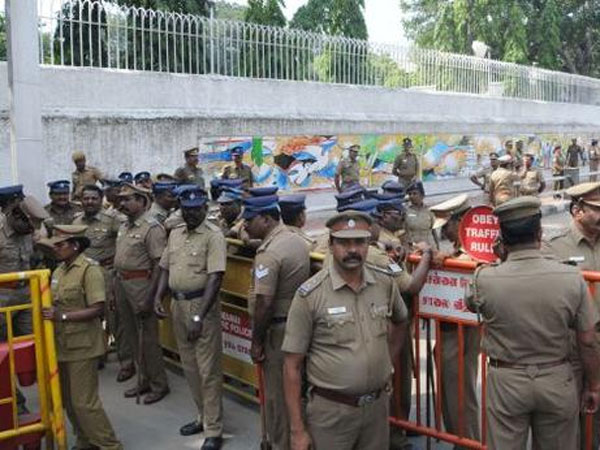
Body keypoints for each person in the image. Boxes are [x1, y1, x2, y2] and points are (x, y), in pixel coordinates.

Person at [468, 196, 600, 449]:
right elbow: (588, 340)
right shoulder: (571, 277)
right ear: (539, 234)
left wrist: (501, 261)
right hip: (556, 377)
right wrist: (594, 385)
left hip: (507, 380)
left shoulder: (484, 279)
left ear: (502, 239)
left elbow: (471, 304)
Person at [282, 210, 416, 450]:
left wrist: (387, 362)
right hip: (332, 414)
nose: (352, 249)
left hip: (376, 410)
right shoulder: (310, 295)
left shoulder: (384, 283)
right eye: (344, 243)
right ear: (331, 245)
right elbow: (292, 365)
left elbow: (401, 320)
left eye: (359, 242)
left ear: (368, 244)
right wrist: (297, 430)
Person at [153, 187, 226, 450]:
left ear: (205, 208)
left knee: (208, 371)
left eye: (196, 209)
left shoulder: (213, 236)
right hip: (177, 304)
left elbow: (215, 277)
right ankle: (202, 417)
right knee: (190, 367)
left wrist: (198, 316)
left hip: (200, 305)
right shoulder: (176, 233)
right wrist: (158, 297)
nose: (191, 214)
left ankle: (214, 429)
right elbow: (165, 268)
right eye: (187, 210)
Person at [40, 225, 123, 450]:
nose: (56, 249)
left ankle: (110, 445)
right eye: (55, 245)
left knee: (84, 402)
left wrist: (62, 316)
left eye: (61, 245)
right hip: (62, 344)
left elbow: (97, 308)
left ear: (75, 245)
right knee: (68, 401)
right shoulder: (59, 271)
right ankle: (85, 440)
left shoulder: (89, 270)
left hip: (83, 345)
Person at [244, 193, 311, 450]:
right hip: (297, 326)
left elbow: (265, 303)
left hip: (278, 331)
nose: (245, 225)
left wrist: (256, 342)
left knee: (279, 397)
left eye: (250, 220)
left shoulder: (270, 253)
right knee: (296, 392)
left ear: (266, 219)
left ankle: (282, 444)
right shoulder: (295, 240)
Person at [543, 181, 600, 449]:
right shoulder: (553, 248)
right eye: (597, 209)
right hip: (573, 347)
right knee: (570, 420)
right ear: (577, 210)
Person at [429, 194, 481, 448]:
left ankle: (467, 442)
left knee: (460, 390)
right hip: (452, 330)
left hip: (462, 332)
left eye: (447, 226)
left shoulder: (474, 253)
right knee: (452, 388)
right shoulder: (459, 251)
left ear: (460, 222)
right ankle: (460, 439)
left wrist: (449, 262)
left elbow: (475, 271)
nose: (444, 233)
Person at [113, 183, 170, 404]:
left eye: (127, 199)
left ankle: (158, 384)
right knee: (131, 335)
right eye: (121, 199)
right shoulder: (124, 225)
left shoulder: (151, 228)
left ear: (142, 201)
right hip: (122, 283)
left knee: (147, 338)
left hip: (141, 285)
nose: (122, 203)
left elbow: (159, 265)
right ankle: (143, 378)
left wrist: (151, 297)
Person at [72, 184, 134, 383]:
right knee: (90, 321)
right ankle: (97, 356)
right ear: (81, 200)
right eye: (86, 198)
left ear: (100, 200)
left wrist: (117, 259)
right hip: (84, 277)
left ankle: (127, 363)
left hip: (107, 275)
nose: (89, 202)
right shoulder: (76, 221)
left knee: (115, 320)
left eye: (93, 198)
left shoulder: (113, 220)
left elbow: (126, 241)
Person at [404, 181, 437, 249]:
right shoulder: (405, 211)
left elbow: (433, 230)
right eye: (410, 194)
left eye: (415, 193)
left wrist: (437, 247)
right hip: (414, 249)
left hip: (430, 247)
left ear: (422, 195)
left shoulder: (429, 210)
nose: (412, 196)